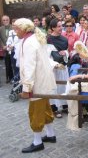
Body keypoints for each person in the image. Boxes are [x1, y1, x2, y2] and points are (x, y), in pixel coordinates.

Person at [14, 18, 56, 153]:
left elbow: (29, 67)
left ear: (23, 29)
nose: (15, 31)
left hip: (37, 83)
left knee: (35, 112)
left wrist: (27, 88)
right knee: (45, 108)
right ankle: (51, 135)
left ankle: (37, 142)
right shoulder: (34, 39)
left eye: (16, 29)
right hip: (42, 81)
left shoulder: (29, 42)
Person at [47, 19, 69, 118]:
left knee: (63, 86)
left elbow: (68, 52)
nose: (61, 28)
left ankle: (65, 105)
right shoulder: (48, 39)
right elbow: (46, 54)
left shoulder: (64, 39)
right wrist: (54, 63)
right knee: (54, 87)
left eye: (61, 26)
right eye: (59, 26)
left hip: (63, 66)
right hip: (54, 68)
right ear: (53, 28)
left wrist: (65, 53)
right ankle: (54, 108)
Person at [0, 15, 13, 83]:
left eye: (6, 20)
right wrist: (3, 46)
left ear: (9, 20)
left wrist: (11, 46)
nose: (5, 21)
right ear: (2, 21)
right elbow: (0, 39)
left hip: (12, 48)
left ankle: (13, 77)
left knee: (13, 63)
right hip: (5, 49)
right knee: (7, 64)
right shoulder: (1, 29)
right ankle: (8, 78)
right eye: (4, 20)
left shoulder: (13, 27)